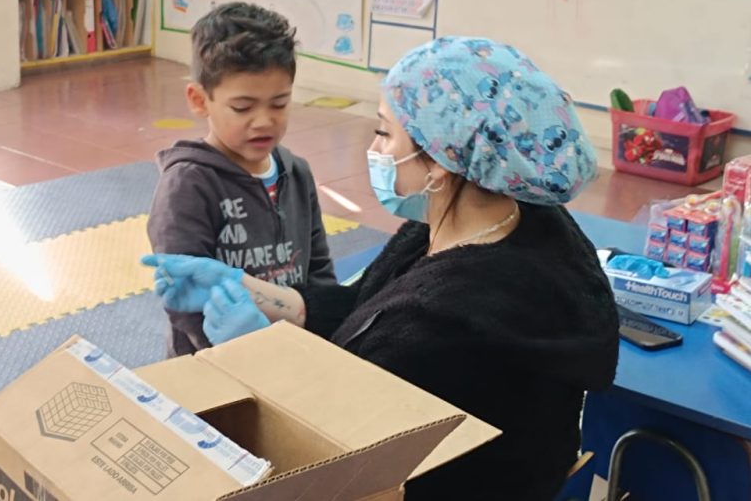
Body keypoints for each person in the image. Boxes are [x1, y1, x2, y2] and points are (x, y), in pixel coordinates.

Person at [143, 36, 619, 501]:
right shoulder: (496, 217)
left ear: (438, 161)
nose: (376, 147)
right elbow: (368, 307)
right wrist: (254, 292)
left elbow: (337, 434)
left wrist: (256, 353)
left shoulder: (449, 318)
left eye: (386, 131)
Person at [145, 1, 336, 357]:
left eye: (279, 104)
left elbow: (320, 273)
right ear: (200, 100)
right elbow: (184, 298)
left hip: (291, 353)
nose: (264, 121)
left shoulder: (297, 174)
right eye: (243, 107)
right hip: (215, 364)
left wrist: (315, 340)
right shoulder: (188, 185)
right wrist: (239, 355)